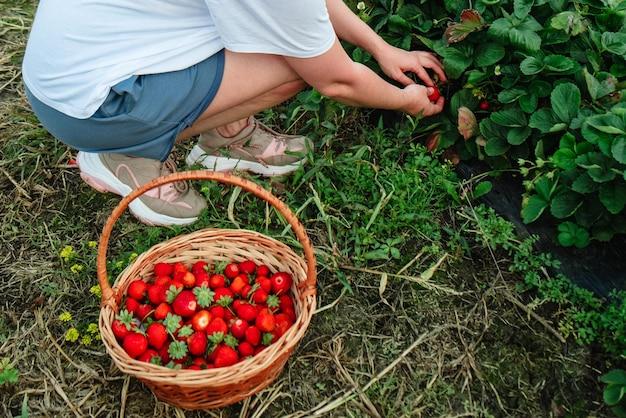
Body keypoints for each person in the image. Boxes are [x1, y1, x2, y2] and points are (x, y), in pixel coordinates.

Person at [22, 0, 446, 226]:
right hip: (95, 107)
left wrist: (381, 47)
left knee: (281, 35)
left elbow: (309, 6)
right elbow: (336, 80)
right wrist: (405, 100)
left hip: (64, 80)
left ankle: (223, 133)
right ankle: (123, 153)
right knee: (293, 62)